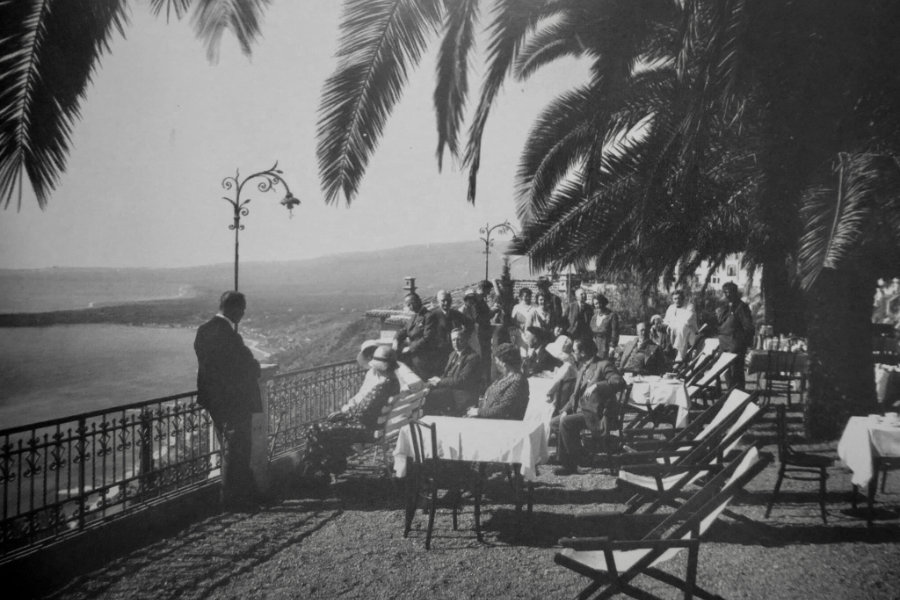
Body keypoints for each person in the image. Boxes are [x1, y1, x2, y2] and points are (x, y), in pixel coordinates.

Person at [194, 291, 262, 512]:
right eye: (241, 309)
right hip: (235, 402)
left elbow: (207, 368)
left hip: (214, 401)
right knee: (238, 449)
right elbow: (248, 366)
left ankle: (246, 493)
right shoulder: (230, 336)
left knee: (229, 448)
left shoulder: (202, 331)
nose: (242, 314)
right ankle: (233, 499)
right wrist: (254, 368)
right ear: (232, 308)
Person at [310, 345, 401, 477]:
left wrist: (343, 415)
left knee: (315, 429)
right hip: (374, 426)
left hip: (365, 429)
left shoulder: (382, 387)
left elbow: (363, 411)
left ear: (383, 367)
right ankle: (329, 467)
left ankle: (315, 471)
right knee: (323, 429)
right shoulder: (393, 383)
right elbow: (366, 408)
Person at [550, 337, 626, 475]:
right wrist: (566, 410)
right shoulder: (583, 367)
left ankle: (575, 463)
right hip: (581, 411)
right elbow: (575, 396)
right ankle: (577, 457)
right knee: (555, 422)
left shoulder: (603, 365)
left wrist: (598, 385)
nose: (573, 354)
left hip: (597, 414)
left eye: (574, 351)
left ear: (583, 352)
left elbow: (619, 382)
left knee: (566, 423)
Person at [423, 327, 482, 416]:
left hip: (461, 396)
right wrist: (431, 384)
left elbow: (462, 380)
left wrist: (440, 382)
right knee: (424, 391)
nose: (456, 343)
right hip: (450, 390)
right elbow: (446, 375)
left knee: (429, 397)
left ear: (465, 339)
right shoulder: (453, 354)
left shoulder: (473, 357)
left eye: (459, 339)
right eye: (453, 340)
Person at [466, 343, 529, 420]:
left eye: (496, 361)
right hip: (489, 421)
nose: (495, 364)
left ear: (503, 363)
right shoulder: (503, 377)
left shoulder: (518, 381)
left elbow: (504, 409)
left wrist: (478, 412)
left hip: (502, 426)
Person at [394, 292, 442, 379]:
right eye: (408, 305)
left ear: (417, 302)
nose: (409, 307)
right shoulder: (414, 317)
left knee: (424, 381)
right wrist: (396, 340)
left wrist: (410, 348)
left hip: (425, 358)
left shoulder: (429, 316)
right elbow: (404, 330)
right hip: (414, 357)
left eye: (410, 304)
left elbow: (427, 337)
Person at [717, 281, 754, 389]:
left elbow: (748, 327)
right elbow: (720, 322)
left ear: (735, 293)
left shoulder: (742, 307)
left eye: (729, 292)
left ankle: (738, 396)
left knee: (736, 373)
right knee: (726, 371)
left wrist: (743, 344)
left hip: (735, 344)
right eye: (725, 292)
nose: (726, 295)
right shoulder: (724, 307)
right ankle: (730, 394)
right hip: (723, 343)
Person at [545, 335, 578, 415]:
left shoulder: (567, 367)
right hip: (566, 393)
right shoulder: (571, 364)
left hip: (561, 397)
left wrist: (548, 393)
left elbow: (555, 384)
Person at [663, 289, 699, 364]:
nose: (677, 300)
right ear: (672, 299)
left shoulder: (689, 307)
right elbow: (666, 321)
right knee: (668, 328)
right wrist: (670, 325)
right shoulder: (671, 308)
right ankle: (668, 353)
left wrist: (672, 324)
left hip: (690, 334)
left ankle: (680, 355)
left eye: (679, 298)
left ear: (683, 298)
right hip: (674, 335)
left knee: (683, 327)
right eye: (675, 299)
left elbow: (687, 321)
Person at [590, 293, 619, 359]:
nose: (598, 305)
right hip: (594, 347)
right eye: (596, 304)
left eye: (600, 303)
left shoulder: (612, 315)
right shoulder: (594, 317)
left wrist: (612, 347)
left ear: (603, 302)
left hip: (606, 347)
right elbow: (591, 333)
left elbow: (615, 333)